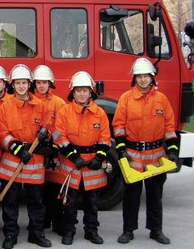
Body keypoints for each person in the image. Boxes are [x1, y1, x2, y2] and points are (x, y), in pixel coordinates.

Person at [112, 57, 178, 245]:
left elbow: (169, 127)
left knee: (155, 196)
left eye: (146, 76)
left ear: (152, 77)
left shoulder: (161, 100)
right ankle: (128, 230)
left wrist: (172, 151)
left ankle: (156, 230)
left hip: (156, 156)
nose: (142, 80)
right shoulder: (126, 99)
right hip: (133, 156)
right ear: (134, 78)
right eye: (139, 76)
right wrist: (121, 150)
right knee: (131, 196)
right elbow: (118, 126)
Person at [0, 64, 51, 249]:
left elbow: (48, 127)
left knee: (36, 201)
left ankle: (36, 233)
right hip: (12, 161)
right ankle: (10, 234)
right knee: (10, 201)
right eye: (18, 83)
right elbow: (1, 132)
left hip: (34, 161)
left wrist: (46, 136)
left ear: (29, 84)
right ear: (13, 85)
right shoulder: (5, 106)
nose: (21, 86)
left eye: (24, 83)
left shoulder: (40, 106)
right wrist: (17, 148)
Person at [53, 71, 110, 245]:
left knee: (92, 202)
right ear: (73, 92)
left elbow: (105, 138)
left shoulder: (100, 113)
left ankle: (91, 231)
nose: (82, 94)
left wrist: (99, 159)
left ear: (91, 92)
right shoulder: (64, 112)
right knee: (69, 202)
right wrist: (73, 156)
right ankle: (68, 231)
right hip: (72, 165)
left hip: (92, 166)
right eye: (78, 90)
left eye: (85, 90)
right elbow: (58, 136)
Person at [31, 65, 66, 235]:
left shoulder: (58, 103)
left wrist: (54, 146)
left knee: (55, 189)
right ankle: (42, 221)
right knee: (39, 191)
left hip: (53, 153)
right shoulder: (30, 100)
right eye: (38, 82)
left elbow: (60, 128)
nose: (41, 85)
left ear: (50, 83)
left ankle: (57, 222)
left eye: (44, 82)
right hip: (35, 151)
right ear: (34, 84)